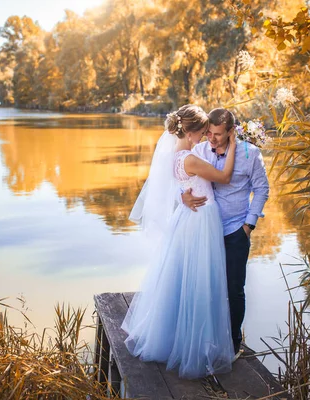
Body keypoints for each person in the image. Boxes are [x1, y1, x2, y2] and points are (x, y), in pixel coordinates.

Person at [122, 104, 237, 379]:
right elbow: (224, 177)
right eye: (204, 131)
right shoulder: (190, 158)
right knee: (199, 280)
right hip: (200, 220)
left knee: (182, 278)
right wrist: (232, 145)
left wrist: (182, 194)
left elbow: (174, 184)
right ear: (192, 131)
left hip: (190, 216)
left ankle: (177, 339)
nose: (206, 135)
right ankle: (193, 349)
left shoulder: (176, 153)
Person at [182, 108, 270, 358]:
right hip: (203, 231)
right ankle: (207, 341)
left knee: (234, 288)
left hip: (235, 230)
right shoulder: (199, 151)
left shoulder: (249, 154)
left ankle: (232, 343)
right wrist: (183, 197)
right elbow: (182, 178)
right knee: (205, 287)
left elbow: (262, 190)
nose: (212, 138)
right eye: (209, 132)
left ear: (232, 132)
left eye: (218, 134)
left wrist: (248, 225)